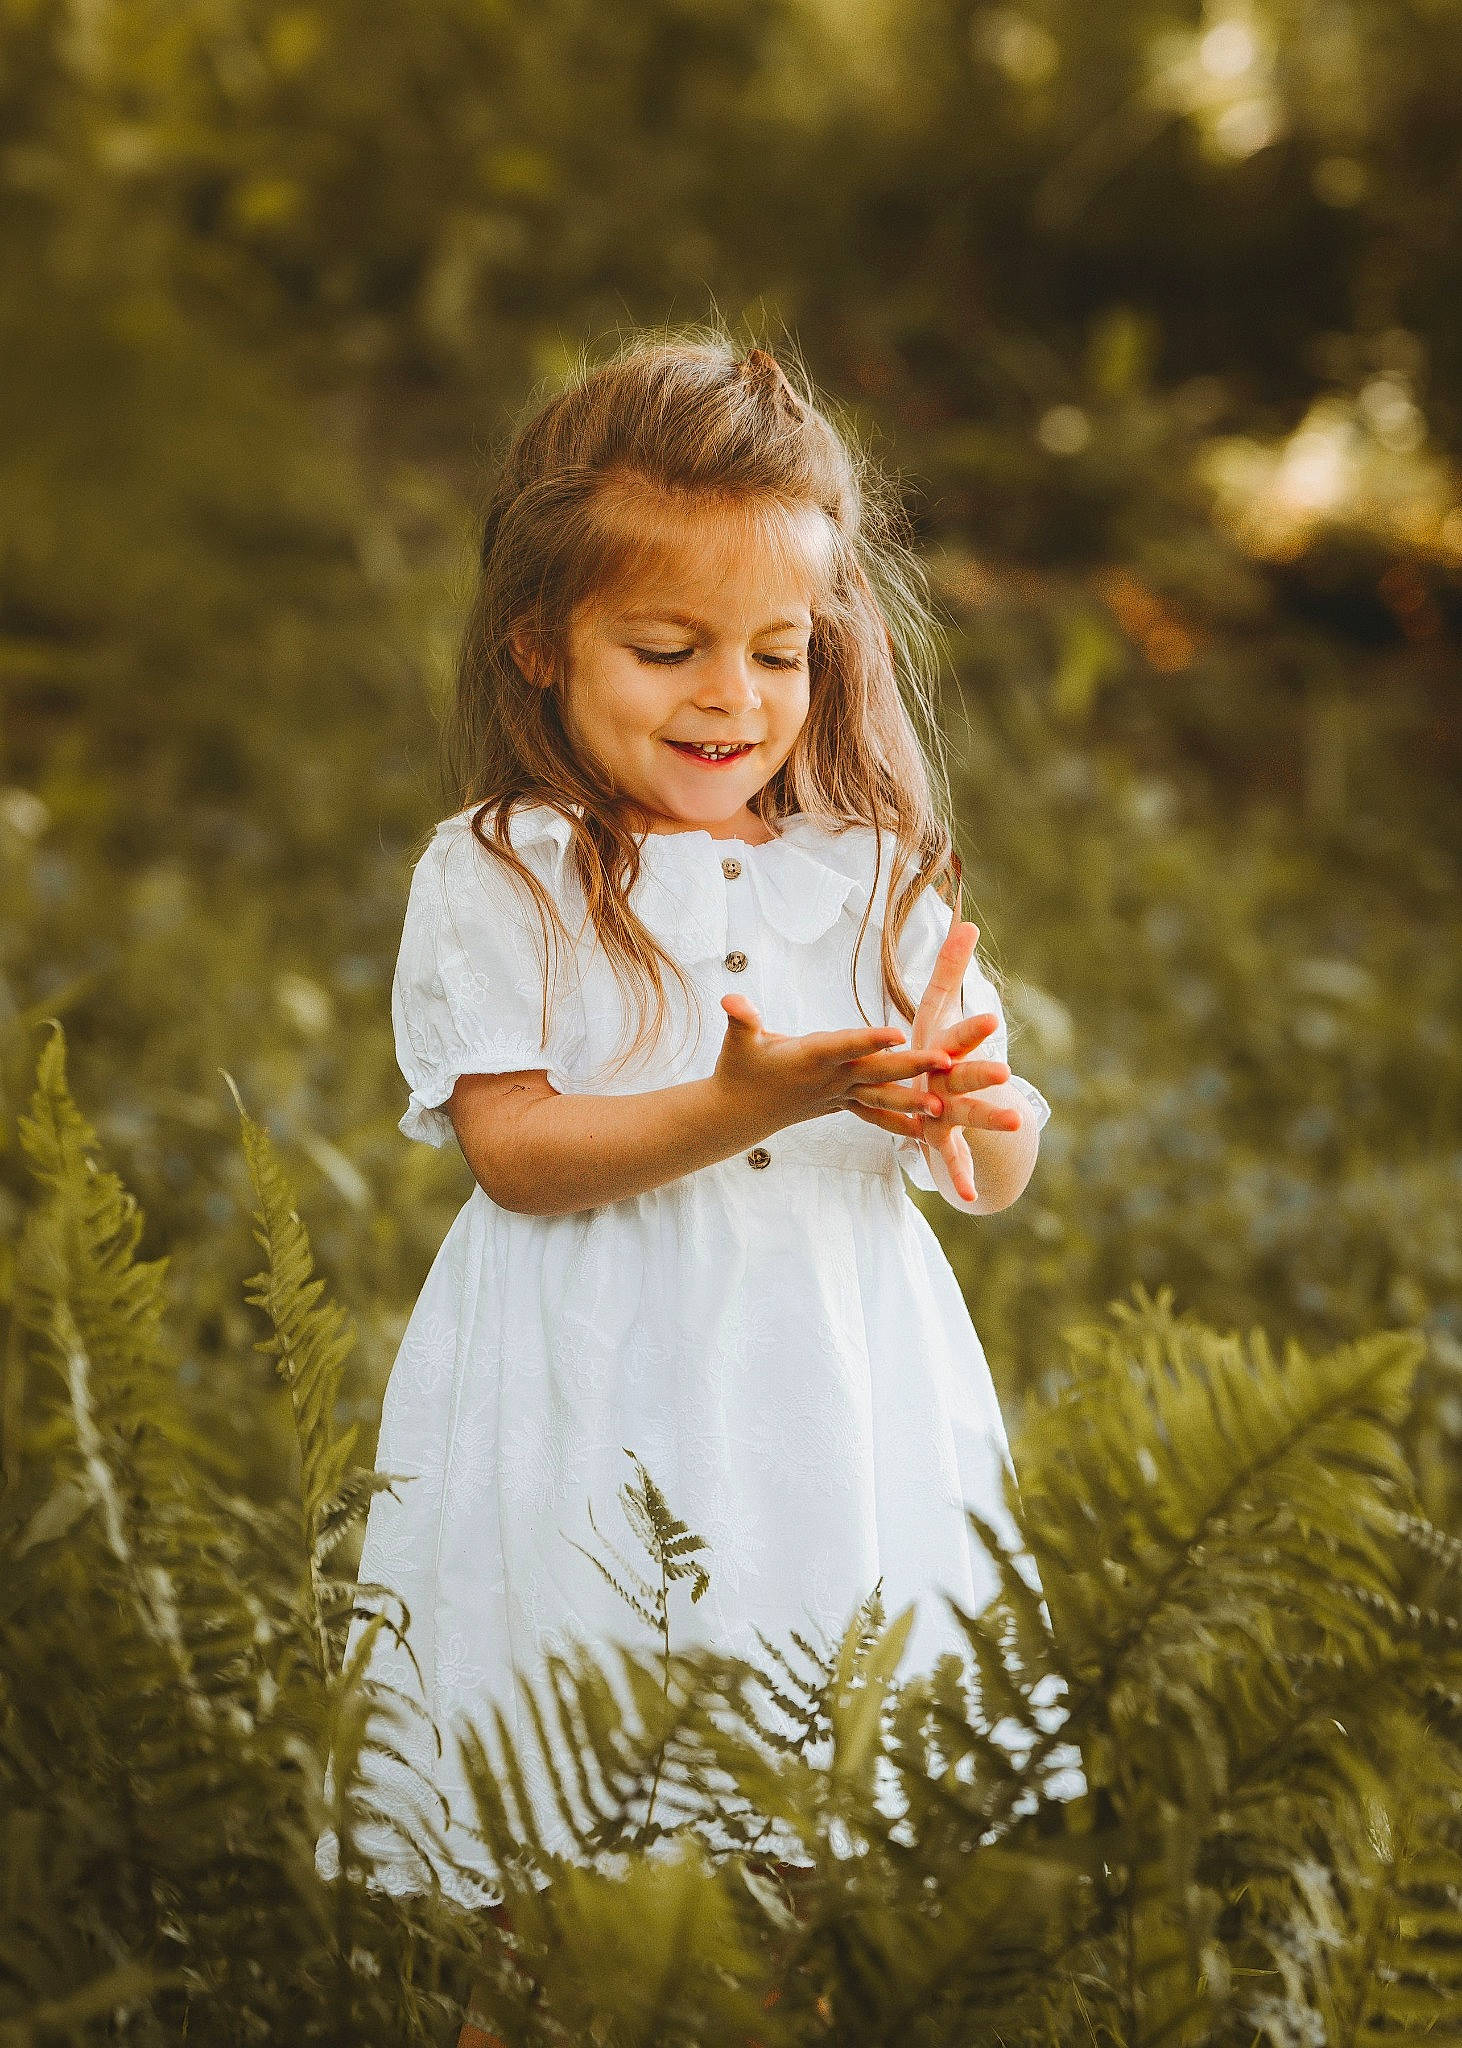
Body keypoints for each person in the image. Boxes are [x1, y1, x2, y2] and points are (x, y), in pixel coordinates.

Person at [313, 332, 1075, 2045]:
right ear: (542, 644)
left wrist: (976, 1099)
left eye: (777, 654)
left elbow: (993, 1164)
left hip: (822, 1376)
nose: (730, 698)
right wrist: (728, 1103)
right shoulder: (503, 872)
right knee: (555, 1753)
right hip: (588, 1379)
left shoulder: (872, 874)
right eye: (667, 649)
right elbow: (513, 1150)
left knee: (801, 1765)